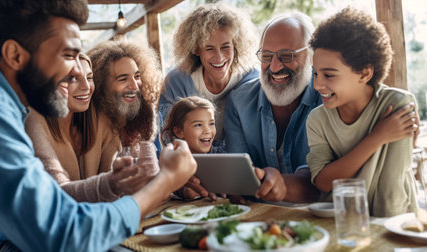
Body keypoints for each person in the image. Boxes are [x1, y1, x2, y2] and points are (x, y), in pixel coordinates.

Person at [0, 1, 196, 251]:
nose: (75, 72)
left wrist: (117, 184)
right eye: (68, 55)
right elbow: (65, 232)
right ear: (15, 55)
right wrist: (166, 182)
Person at [307, 7, 418, 217]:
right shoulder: (317, 119)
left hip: (395, 221)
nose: (317, 85)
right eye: (315, 74)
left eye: (329, 75)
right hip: (341, 221)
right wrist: (377, 138)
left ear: (364, 73)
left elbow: (391, 186)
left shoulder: (397, 103)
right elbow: (322, 181)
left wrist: (383, 234)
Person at [223, 12, 321, 203]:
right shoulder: (238, 102)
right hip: (259, 221)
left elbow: (329, 179)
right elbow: (239, 178)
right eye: (266, 56)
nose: (274, 67)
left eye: (286, 56)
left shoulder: (328, 98)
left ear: (311, 56)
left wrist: (284, 185)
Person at [24, 53, 149, 203]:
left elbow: (116, 179)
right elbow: (58, 193)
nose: (86, 87)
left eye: (89, 78)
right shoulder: (33, 119)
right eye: (73, 78)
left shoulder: (100, 118)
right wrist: (113, 184)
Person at [159, 2, 259, 153]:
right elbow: (169, 137)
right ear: (196, 49)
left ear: (236, 45)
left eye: (226, 47)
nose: (219, 57)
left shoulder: (251, 80)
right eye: (209, 48)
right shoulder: (177, 82)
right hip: (189, 165)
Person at [88, 39, 162, 156]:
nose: (134, 86)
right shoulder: (93, 124)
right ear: (101, 84)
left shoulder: (146, 116)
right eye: (123, 79)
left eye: (137, 76)